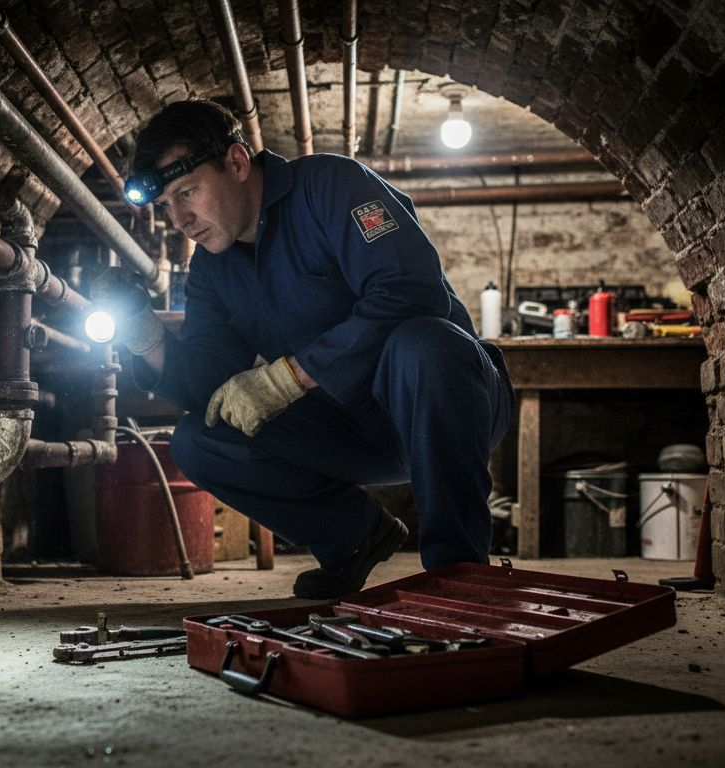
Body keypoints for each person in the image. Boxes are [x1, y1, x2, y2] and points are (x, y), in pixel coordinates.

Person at [93, 100, 514, 599]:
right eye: (166, 205)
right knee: (200, 439)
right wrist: (144, 335)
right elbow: (206, 384)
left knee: (422, 343)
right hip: (351, 431)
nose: (180, 218)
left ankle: (458, 574)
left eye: (187, 192)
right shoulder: (211, 268)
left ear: (237, 162)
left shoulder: (332, 186)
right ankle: (353, 537)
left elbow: (410, 291)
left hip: (446, 403)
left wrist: (289, 376)